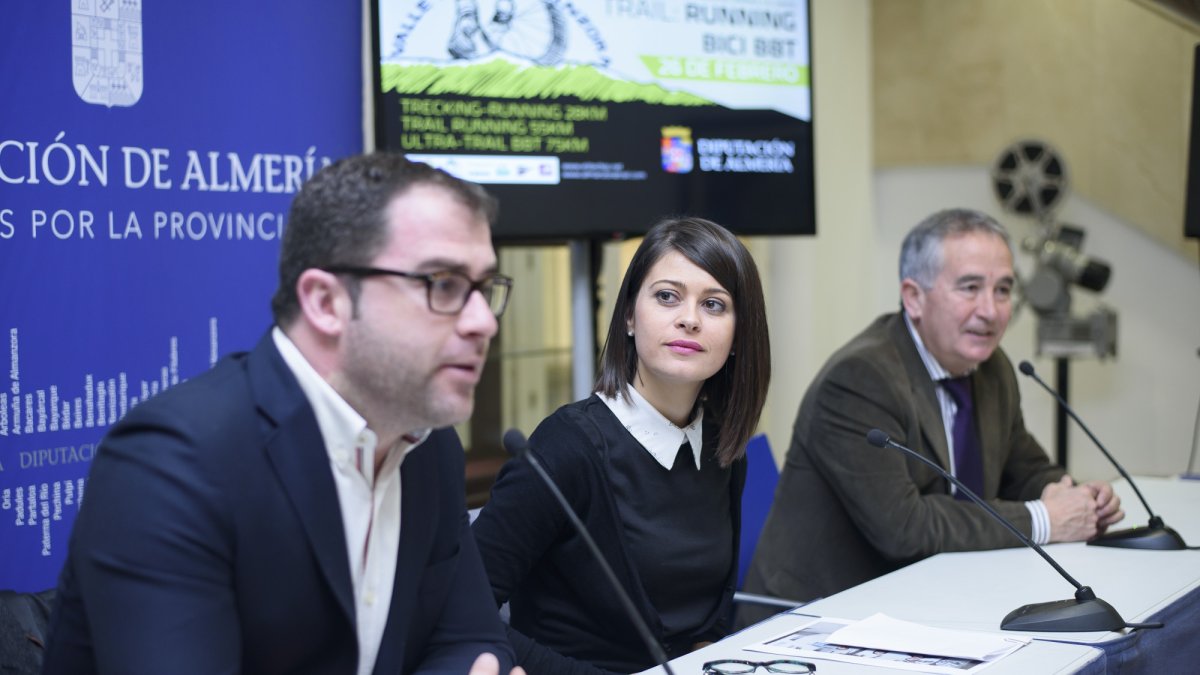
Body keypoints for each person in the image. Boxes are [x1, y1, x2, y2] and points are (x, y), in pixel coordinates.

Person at [41, 154, 523, 675]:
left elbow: (473, 641)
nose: (483, 323)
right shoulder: (174, 462)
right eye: (444, 285)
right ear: (325, 302)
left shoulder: (430, 447)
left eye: (484, 288)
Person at [741, 208, 1124, 621]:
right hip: (822, 618)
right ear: (913, 297)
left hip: (935, 596)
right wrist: (1046, 519)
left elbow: (1024, 469)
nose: (991, 311)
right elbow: (905, 528)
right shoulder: (860, 379)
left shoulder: (992, 368)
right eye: (970, 288)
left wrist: (1072, 496)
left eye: (1003, 290)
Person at [472, 217, 771, 674]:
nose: (689, 319)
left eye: (714, 305)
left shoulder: (722, 446)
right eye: (667, 296)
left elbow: (700, 628)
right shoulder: (567, 447)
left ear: (736, 337)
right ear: (630, 315)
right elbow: (463, 609)